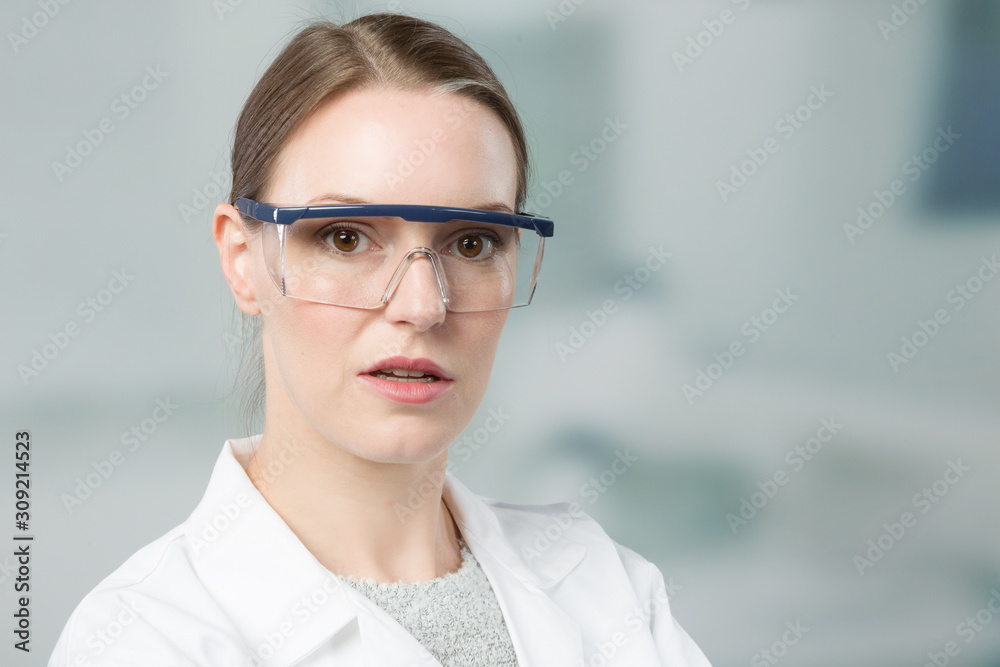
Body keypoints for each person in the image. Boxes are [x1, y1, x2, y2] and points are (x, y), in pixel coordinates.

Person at [48, 12, 711, 666]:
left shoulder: (604, 584)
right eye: (345, 237)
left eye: (473, 242)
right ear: (242, 261)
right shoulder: (144, 638)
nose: (422, 306)